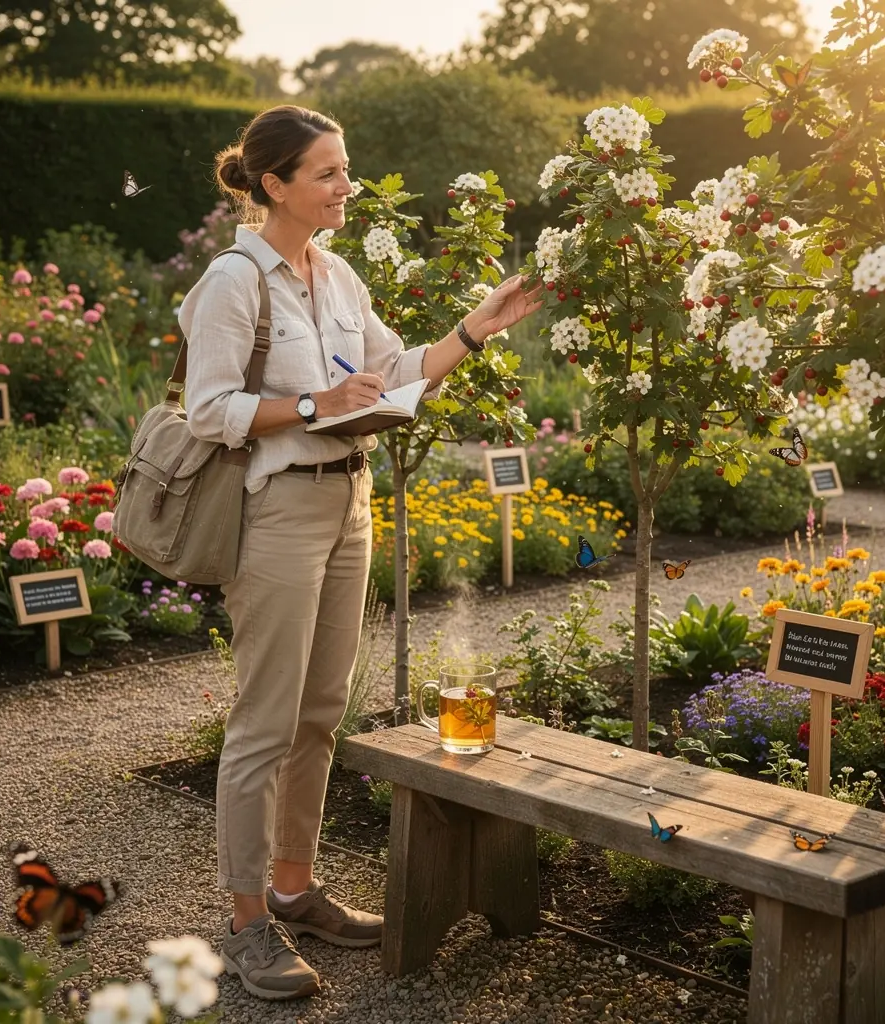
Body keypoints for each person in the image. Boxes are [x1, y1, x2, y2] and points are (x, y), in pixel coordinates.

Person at [178, 104, 541, 1002]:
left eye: (347, 168)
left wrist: (474, 329)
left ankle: (294, 890)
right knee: (266, 718)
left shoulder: (337, 275)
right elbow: (207, 408)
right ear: (276, 185)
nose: (348, 186)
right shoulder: (233, 280)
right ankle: (247, 923)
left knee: (322, 711)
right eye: (329, 173)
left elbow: (398, 369)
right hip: (276, 512)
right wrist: (314, 408)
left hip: (349, 502)